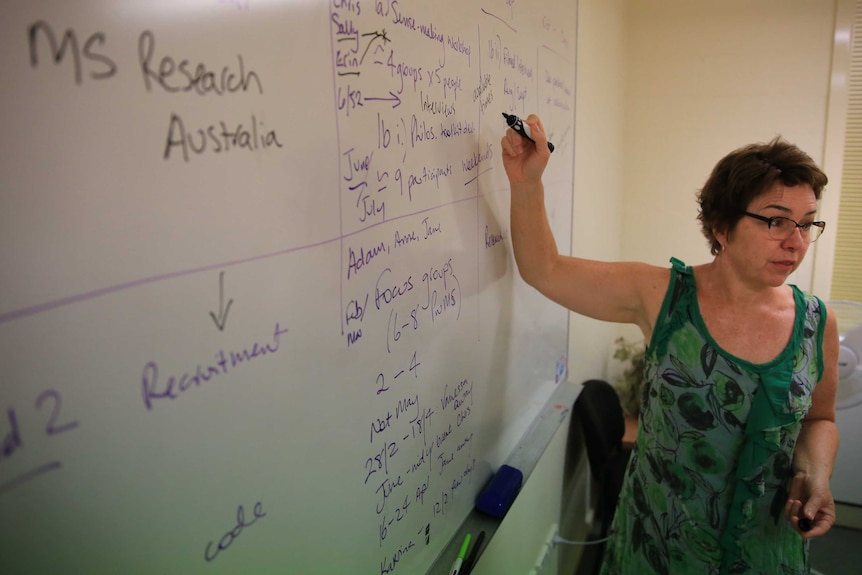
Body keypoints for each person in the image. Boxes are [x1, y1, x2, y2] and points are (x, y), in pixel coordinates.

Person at [501, 115, 840, 574]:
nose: (796, 242)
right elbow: (545, 270)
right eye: (777, 222)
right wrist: (527, 184)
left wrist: (814, 474)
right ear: (721, 226)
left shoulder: (816, 323)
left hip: (766, 548)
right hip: (660, 543)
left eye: (807, 223)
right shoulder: (665, 295)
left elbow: (819, 418)